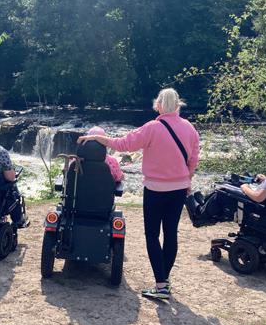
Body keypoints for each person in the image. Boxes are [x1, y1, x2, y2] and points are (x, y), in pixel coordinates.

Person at [78, 88, 200, 300]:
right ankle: (164, 282)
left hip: (155, 189)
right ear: (178, 105)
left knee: (152, 235)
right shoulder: (190, 128)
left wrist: (97, 137)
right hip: (179, 189)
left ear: (158, 105)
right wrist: (187, 180)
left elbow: (123, 144)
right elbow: (194, 159)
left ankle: (161, 285)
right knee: (171, 234)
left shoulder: (152, 128)